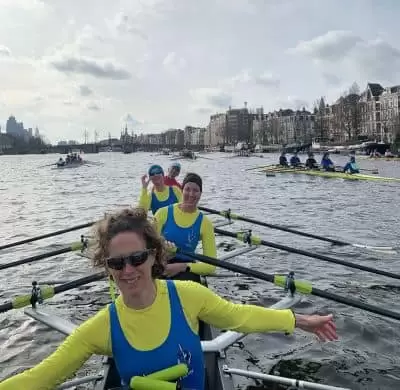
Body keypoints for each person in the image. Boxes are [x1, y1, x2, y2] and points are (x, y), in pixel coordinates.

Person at [0, 208, 337, 390]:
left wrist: (299, 320)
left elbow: (239, 317)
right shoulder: (101, 327)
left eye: (137, 259)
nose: (128, 270)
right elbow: (41, 378)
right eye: (116, 263)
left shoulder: (188, 295)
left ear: (154, 256)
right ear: (107, 268)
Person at [154, 173, 216, 279]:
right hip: (162, 264)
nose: (191, 194)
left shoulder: (205, 223)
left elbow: (211, 266)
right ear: (182, 190)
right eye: (187, 189)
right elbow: (147, 248)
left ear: (200, 194)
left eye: (195, 190)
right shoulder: (162, 213)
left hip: (186, 267)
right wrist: (163, 253)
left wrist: (182, 267)